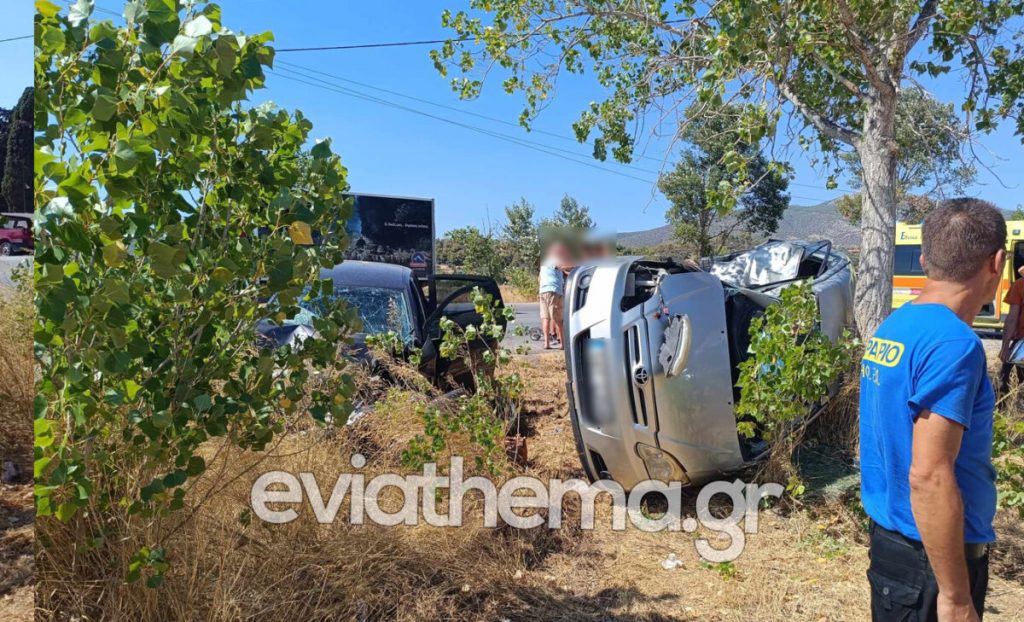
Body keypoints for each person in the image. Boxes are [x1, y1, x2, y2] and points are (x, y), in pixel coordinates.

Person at [860, 198, 1003, 622]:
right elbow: (929, 474)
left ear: (924, 259)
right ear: (996, 262)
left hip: (894, 547)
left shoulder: (897, 324)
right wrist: (957, 597)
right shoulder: (954, 344)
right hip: (934, 560)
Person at [997, 264, 1024, 395]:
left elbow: (1012, 318)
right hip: (1021, 340)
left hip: (1021, 341)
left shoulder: (1020, 284)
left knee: (1003, 378)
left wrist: (1005, 347)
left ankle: (1003, 408)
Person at [538, 242, 570, 349]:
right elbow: (562, 267)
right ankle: (563, 344)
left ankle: (546, 343)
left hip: (543, 291)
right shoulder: (554, 259)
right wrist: (577, 265)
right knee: (558, 319)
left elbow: (563, 271)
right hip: (553, 291)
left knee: (545, 318)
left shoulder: (545, 262)